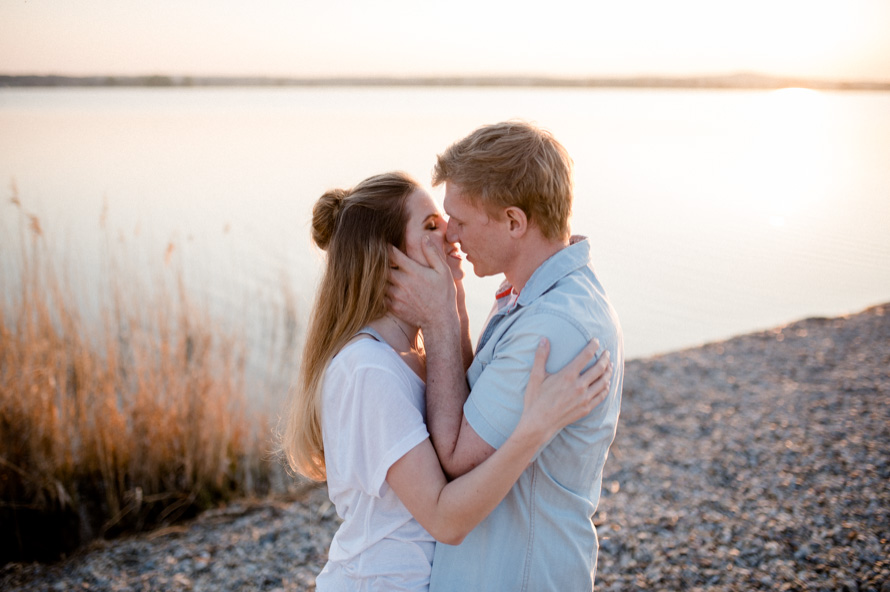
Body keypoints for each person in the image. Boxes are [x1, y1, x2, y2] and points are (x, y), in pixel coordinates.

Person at [281, 171, 613, 591]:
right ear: (389, 260)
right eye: (432, 227)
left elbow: (464, 424)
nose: (452, 236)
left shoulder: (412, 353)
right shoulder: (368, 369)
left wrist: (452, 311)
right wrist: (536, 429)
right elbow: (443, 518)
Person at [386, 121, 625, 591]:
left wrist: (437, 322)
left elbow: (455, 455)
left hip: (518, 574)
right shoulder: (532, 295)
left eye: (462, 220)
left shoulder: (553, 329)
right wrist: (452, 301)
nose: (451, 235)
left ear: (515, 222)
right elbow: (474, 402)